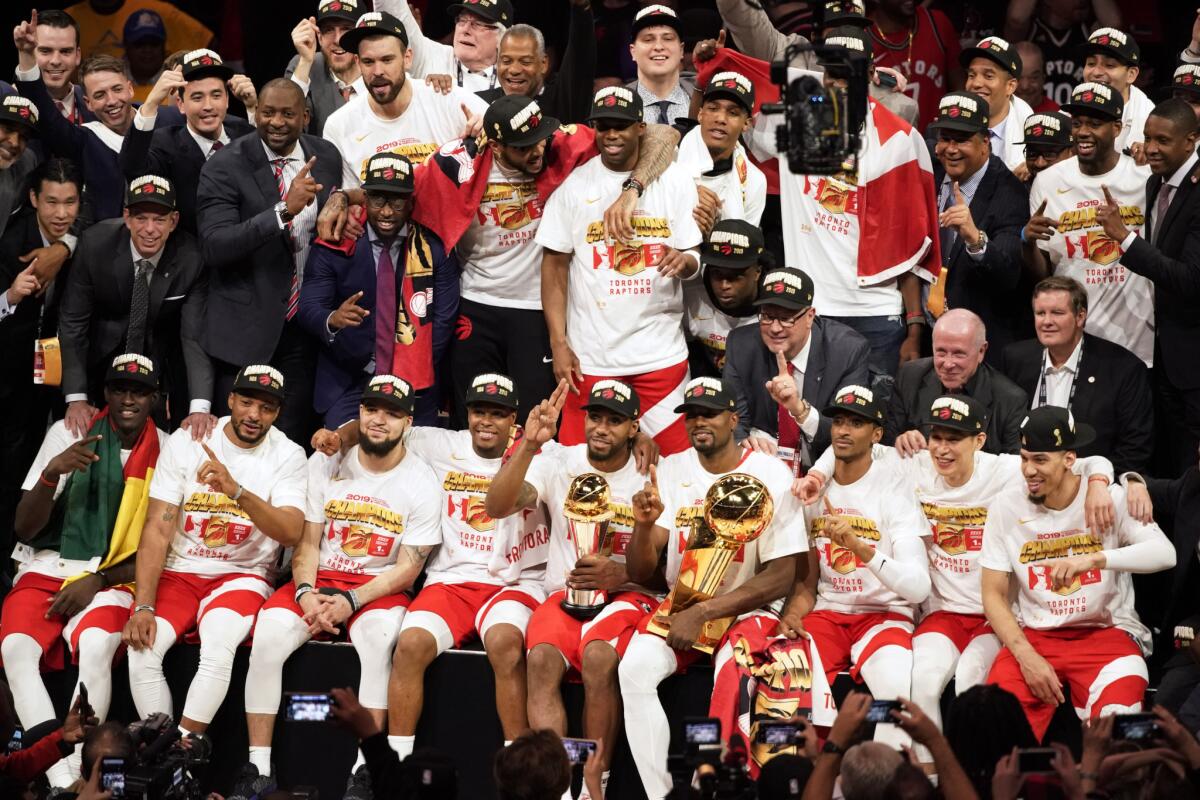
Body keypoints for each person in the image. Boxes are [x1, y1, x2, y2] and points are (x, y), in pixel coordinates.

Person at [800, 394, 1116, 742]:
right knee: (920, 682)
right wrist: (815, 474)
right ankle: (923, 776)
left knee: (969, 681)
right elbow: (843, 447)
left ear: (979, 441)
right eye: (937, 437)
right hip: (942, 612)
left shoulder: (1006, 470)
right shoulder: (914, 464)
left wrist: (1109, 481)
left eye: (954, 439)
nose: (942, 449)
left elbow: (1083, 462)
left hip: (994, 614)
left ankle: (971, 777)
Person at [242, 375, 441, 788]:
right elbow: (308, 540)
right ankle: (258, 769)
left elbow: (409, 567)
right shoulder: (327, 462)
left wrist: (352, 599)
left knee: (379, 640)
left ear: (408, 422)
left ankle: (365, 772)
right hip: (319, 579)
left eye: (392, 413)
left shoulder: (422, 479)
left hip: (377, 585)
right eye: (371, 409)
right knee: (266, 640)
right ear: (360, 412)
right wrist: (304, 592)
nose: (379, 420)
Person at [620, 376, 802, 797]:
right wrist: (643, 528)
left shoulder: (771, 474)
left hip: (747, 610)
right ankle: (662, 794)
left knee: (730, 679)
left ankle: (722, 791)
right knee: (633, 672)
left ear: (734, 419)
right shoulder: (671, 470)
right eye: (692, 415)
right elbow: (642, 569)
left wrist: (706, 612)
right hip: (682, 604)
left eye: (710, 413)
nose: (699, 422)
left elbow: (783, 574)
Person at [485, 379, 659, 797]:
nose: (601, 428)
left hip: (627, 595)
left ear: (634, 428)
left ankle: (593, 786)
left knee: (599, 658)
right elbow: (496, 506)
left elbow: (658, 571)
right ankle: (557, 786)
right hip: (564, 596)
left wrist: (622, 574)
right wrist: (528, 445)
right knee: (541, 659)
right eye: (595, 417)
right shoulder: (558, 460)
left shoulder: (650, 472)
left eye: (614, 421)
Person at [0, 353, 166, 788]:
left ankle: (76, 776)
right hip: (49, 563)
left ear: (154, 398)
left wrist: (98, 581)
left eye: (140, 391)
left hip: (114, 575)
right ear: (105, 394)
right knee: (17, 652)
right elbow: (24, 526)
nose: (128, 399)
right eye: (119, 389)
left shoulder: (167, 448)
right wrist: (51, 475)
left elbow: (158, 547)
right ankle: (60, 779)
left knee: (95, 646)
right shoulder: (67, 432)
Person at [122, 364, 308, 737]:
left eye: (267, 408)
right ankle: (167, 753)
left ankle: (186, 750)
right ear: (230, 400)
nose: (254, 415)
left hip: (242, 574)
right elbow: (157, 528)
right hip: (180, 570)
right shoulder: (187, 441)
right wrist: (142, 605)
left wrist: (236, 490)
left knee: (219, 643)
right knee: (141, 650)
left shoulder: (288, 454)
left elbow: (290, 531)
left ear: (278, 413)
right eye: (247, 402)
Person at [979, 405, 1175, 739]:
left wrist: (1094, 559)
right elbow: (992, 594)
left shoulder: (1108, 497)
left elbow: (1165, 554)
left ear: (1069, 459)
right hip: (1036, 637)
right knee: (992, 736)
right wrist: (1026, 656)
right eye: (1024, 458)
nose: (1028, 469)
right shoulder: (1005, 505)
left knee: (1118, 737)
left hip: (1108, 634)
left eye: (1040, 460)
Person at [388, 374, 547, 765]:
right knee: (408, 647)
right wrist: (338, 437)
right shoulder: (439, 443)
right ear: (466, 412)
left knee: (506, 646)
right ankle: (395, 766)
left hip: (515, 581)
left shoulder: (544, 453)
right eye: (479, 411)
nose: (486, 421)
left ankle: (518, 769)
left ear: (515, 420)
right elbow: (379, 426)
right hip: (452, 581)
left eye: (498, 413)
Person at [536, 86, 702, 454]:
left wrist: (685, 262)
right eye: (604, 126)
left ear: (641, 128)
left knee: (674, 468)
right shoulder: (574, 187)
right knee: (580, 472)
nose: (611, 135)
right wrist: (558, 343)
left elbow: (693, 254)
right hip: (591, 359)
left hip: (660, 358)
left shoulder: (673, 181)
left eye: (621, 126)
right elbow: (554, 269)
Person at [781, 385, 930, 749]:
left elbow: (918, 588)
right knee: (783, 677)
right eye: (840, 421)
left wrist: (860, 548)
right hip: (830, 614)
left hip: (884, 614)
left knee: (894, 695)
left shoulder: (896, 489)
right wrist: (792, 615)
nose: (845, 430)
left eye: (857, 423)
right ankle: (800, 777)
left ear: (877, 435)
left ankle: (883, 783)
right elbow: (808, 577)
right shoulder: (814, 492)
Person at [195, 78, 342, 443]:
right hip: (245, 330)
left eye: (287, 114)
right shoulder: (225, 165)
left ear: (305, 116)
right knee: (238, 441)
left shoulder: (325, 156)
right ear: (255, 113)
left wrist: (345, 199)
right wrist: (283, 211)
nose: (276, 122)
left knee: (289, 442)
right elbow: (214, 245)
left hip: (305, 329)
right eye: (267, 112)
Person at [299, 152, 456, 428]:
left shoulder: (433, 249)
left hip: (415, 381)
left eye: (396, 201)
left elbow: (444, 317)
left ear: (411, 202)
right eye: (377, 199)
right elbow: (309, 307)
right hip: (351, 379)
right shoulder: (335, 243)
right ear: (365, 198)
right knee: (340, 456)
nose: (385, 211)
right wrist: (333, 320)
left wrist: (414, 361)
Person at [1092, 99, 1200, 476]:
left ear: (1191, 141)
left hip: (1193, 355)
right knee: (1173, 462)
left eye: (1163, 141)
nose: (1152, 148)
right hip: (1166, 355)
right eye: (1148, 138)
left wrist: (1124, 238)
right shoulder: (1156, 182)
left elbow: (1190, 279)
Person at [58, 175, 210, 438]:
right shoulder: (95, 244)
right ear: (127, 217)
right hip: (98, 359)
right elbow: (73, 322)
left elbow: (193, 336)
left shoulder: (191, 257)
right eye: (141, 218)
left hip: (158, 367)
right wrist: (76, 397)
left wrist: (199, 406)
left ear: (173, 222)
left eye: (159, 220)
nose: (150, 229)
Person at [1024, 81, 1152, 367]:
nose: (1083, 132)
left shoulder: (1144, 177)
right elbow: (1043, 274)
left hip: (1138, 339)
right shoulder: (1048, 182)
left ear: (1117, 128)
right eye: (1078, 122)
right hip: (1072, 343)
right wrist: (1028, 242)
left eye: (1095, 123)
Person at [0, 158, 80, 561]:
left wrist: (67, 246)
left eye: (69, 202)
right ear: (33, 199)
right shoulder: (10, 242)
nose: (61, 213)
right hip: (6, 377)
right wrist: (10, 297)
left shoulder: (73, 241)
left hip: (47, 375)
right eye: (51, 202)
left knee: (31, 463)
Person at [1000, 276, 1154, 476]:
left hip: (1089, 484)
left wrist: (1099, 480)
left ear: (1080, 316)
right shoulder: (1015, 359)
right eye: (1040, 313)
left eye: (1057, 313)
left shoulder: (1122, 369)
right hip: (1025, 478)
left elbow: (1135, 446)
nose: (1046, 322)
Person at [723, 267, 871, 472]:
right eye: (767, 316)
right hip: (765, 466)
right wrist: (744, 441)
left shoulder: (847, 351)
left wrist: (799, 410)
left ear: (810, 316)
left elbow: (849, 433)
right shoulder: (741, 345)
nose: (775, 328)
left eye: (786, 318)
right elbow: (732, 416)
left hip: (827, 468)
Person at [321, 11, 488, 184]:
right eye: (368, 62)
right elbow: (352, 203)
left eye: (387, 60)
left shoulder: (447, 98)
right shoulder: (339, 126)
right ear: (357, 62)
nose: (378, 71)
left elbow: (504, 132)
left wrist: (487, 127)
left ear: (407, 58)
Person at [928, 90, 1029, 356]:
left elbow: (1009, 274)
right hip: (929, 335)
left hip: (981, 344)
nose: (951, 149)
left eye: (962, 140)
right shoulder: (930, 174)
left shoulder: (1010, 192)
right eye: (945, 139)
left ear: (985, 142)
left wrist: (975, 239)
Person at [120, 48, 256, 235]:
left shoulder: (244, 132)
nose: (208, 106)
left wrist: (253, 108)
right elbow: (133, 171)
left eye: (216, 95)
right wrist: (151, 103)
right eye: (197, 97)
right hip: (192, 257)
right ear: (181, 104)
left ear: (227, 100)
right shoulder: (165, 144)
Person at [14, 27, 136, 221]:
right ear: (89, 103)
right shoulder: (85, 138)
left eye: (117, 89)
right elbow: (48, 119)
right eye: (100, 95)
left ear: (130, 89)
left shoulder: (162, 120)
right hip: (101, 240)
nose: (112, 100)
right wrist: (26, 55)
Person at [885, 309, 1028, 456]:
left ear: (981, 351)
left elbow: (1011, 467)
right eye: (941, 352)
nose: (947, 364)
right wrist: (901, 441)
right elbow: (887, 443)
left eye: (958, 354)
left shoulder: (1010, 400)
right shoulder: (910, 377)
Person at [674, 70, 766, 232]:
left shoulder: (754, 180)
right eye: (713, 108)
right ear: (700, 114)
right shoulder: (670, 150)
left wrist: (712, 232)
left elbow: (744, 249)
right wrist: (685, 194)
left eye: (733, 113)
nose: (720, 119)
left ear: (747, 124)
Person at [475, 10, 596, 125]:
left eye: (525, 62)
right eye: (506, 61)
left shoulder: (563, 102)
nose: (514, 70)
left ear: (544, 64)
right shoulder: (478, 103)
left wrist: (581, 9)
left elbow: (580, 56)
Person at [683, 219, 766, 376]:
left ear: (757, 272)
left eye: (735, 276)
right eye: (717, 273)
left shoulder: (777, 308)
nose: (724, 285)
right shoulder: (691, 293)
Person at [1003, 0, 1120, 107]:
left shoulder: (1088, 32)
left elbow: (1114, 27)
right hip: (1036, 122)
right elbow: (1016, 18)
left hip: (1077, 123)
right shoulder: (1030, 31)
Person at [867, 0, 964, 128]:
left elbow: (960, 86)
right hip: (888, 142)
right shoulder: (861, 39)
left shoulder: (937, 23)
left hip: (937, 141)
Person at [375, 0, 508, 92]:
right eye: (462, 20)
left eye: (478, 24)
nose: (465, 29)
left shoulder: (513, 78)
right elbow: (393, 10)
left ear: (502, 38)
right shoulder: (432, 55)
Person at [287, 0, 364, 136]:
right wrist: (305, 61)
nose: (338, 39)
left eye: (347, 29)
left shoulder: (379, 68)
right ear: (319, 36)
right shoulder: (303, 66)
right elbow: (286, 131)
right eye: (329, 30)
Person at [960, 36, 1032, 170]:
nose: (976, 83)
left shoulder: (1034, 144)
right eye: (971, 75)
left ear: (1010, 86)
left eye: (988, 76)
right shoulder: (946, 131)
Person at [1079, 27, 1150, 161]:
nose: (1096, 72)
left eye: (1109, 65)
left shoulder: (1150, 120)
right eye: (1091, 63)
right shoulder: (1066, 113)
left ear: (1131, 74)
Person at [63, 0, 213, 60]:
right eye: (139, 45)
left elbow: (208, 42)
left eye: (153, 44)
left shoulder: (156, 10)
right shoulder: (68, 19)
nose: (147, 50)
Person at [25, 10, 90, 125]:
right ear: (30, 53)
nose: (56, 61)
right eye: (45, 51)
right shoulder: (11, 101)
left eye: (65, 51)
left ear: (77, 56)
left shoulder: (96, 101)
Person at [122, 9, 166, 103]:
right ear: (126, 46)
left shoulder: (179, 78)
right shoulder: (113, 78)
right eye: (140, 43)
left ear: (163, 47)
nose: (147, 50)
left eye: (154, 43)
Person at [1018, 111, 1074, 184]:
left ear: (1072, 153)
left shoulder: (1086, 191)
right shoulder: (1017, 189)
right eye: (1032, 154)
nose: (1039, 163)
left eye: (1049, 154)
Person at [1015, 41, 1059, 113]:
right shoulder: (995, 112)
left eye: (1034, 78)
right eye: (1018, 77)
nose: (1025, 86)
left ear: (1043, 79)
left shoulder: (1056, 116)